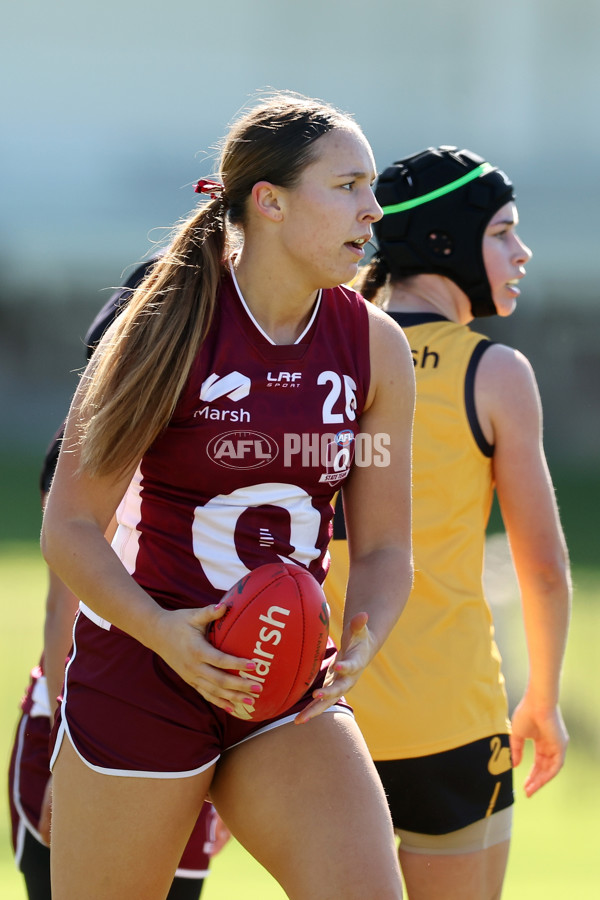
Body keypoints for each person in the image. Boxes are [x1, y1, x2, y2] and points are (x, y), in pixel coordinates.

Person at [40, 91, 416, 900]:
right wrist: (167, 636)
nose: (373, 209)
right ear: (269, 201)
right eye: (348, 186)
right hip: (148, 669)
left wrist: (363, 637)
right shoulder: (163, 327)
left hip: (284, 679)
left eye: (372, 186)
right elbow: (69, 525)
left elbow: (386, 547)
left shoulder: (375, 345)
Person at [325, 146, 571, 900]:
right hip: (451, 726)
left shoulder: (321, 350)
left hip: (320, 724)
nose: (521, 251)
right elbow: (542, 568)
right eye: (502, 232)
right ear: (445, 243)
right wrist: (544, 699)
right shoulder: (493, 373)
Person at [8, 259, 228, 900]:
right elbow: (64, 612)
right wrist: (61, 760)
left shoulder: (215, 447)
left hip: (188, 723)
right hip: (87, 726)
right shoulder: (97, 453)